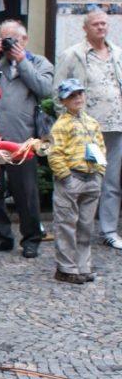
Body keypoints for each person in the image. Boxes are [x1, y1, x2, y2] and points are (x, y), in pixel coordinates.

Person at [0, 20, 54, 259]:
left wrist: (22, 61)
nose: (8, 43)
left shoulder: (38, 63)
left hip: (22, 137)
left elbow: (44, 89)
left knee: (25, 192)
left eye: (12, 39)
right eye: (4, 39)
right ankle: (2, 237)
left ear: (24, 40)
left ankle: (32, 238)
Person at [54, 9, 122, 250]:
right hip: (86, 131)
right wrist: (68, 124)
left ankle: (109, 230)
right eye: (96, 24)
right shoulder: (73, 55)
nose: (101, 27)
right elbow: (57, 92)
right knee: (81, 179)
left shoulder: (117, 54)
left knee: (111, 182)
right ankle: (78, 230)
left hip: (116, 127)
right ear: (86, 28)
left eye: (104, 23)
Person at [48, 79, 106, 284]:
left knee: (86, 225)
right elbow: (55, 153)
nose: (78, 98)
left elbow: (100, 146)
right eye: (72, 95)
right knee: (66, 224)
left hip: (91, 178)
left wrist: (100, 170)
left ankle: (83, 266)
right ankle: (66, 267)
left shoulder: (92, 122)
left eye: (80, 93)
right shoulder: (61, 125)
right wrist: (65, 176)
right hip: (71, 178)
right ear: (63, 101)